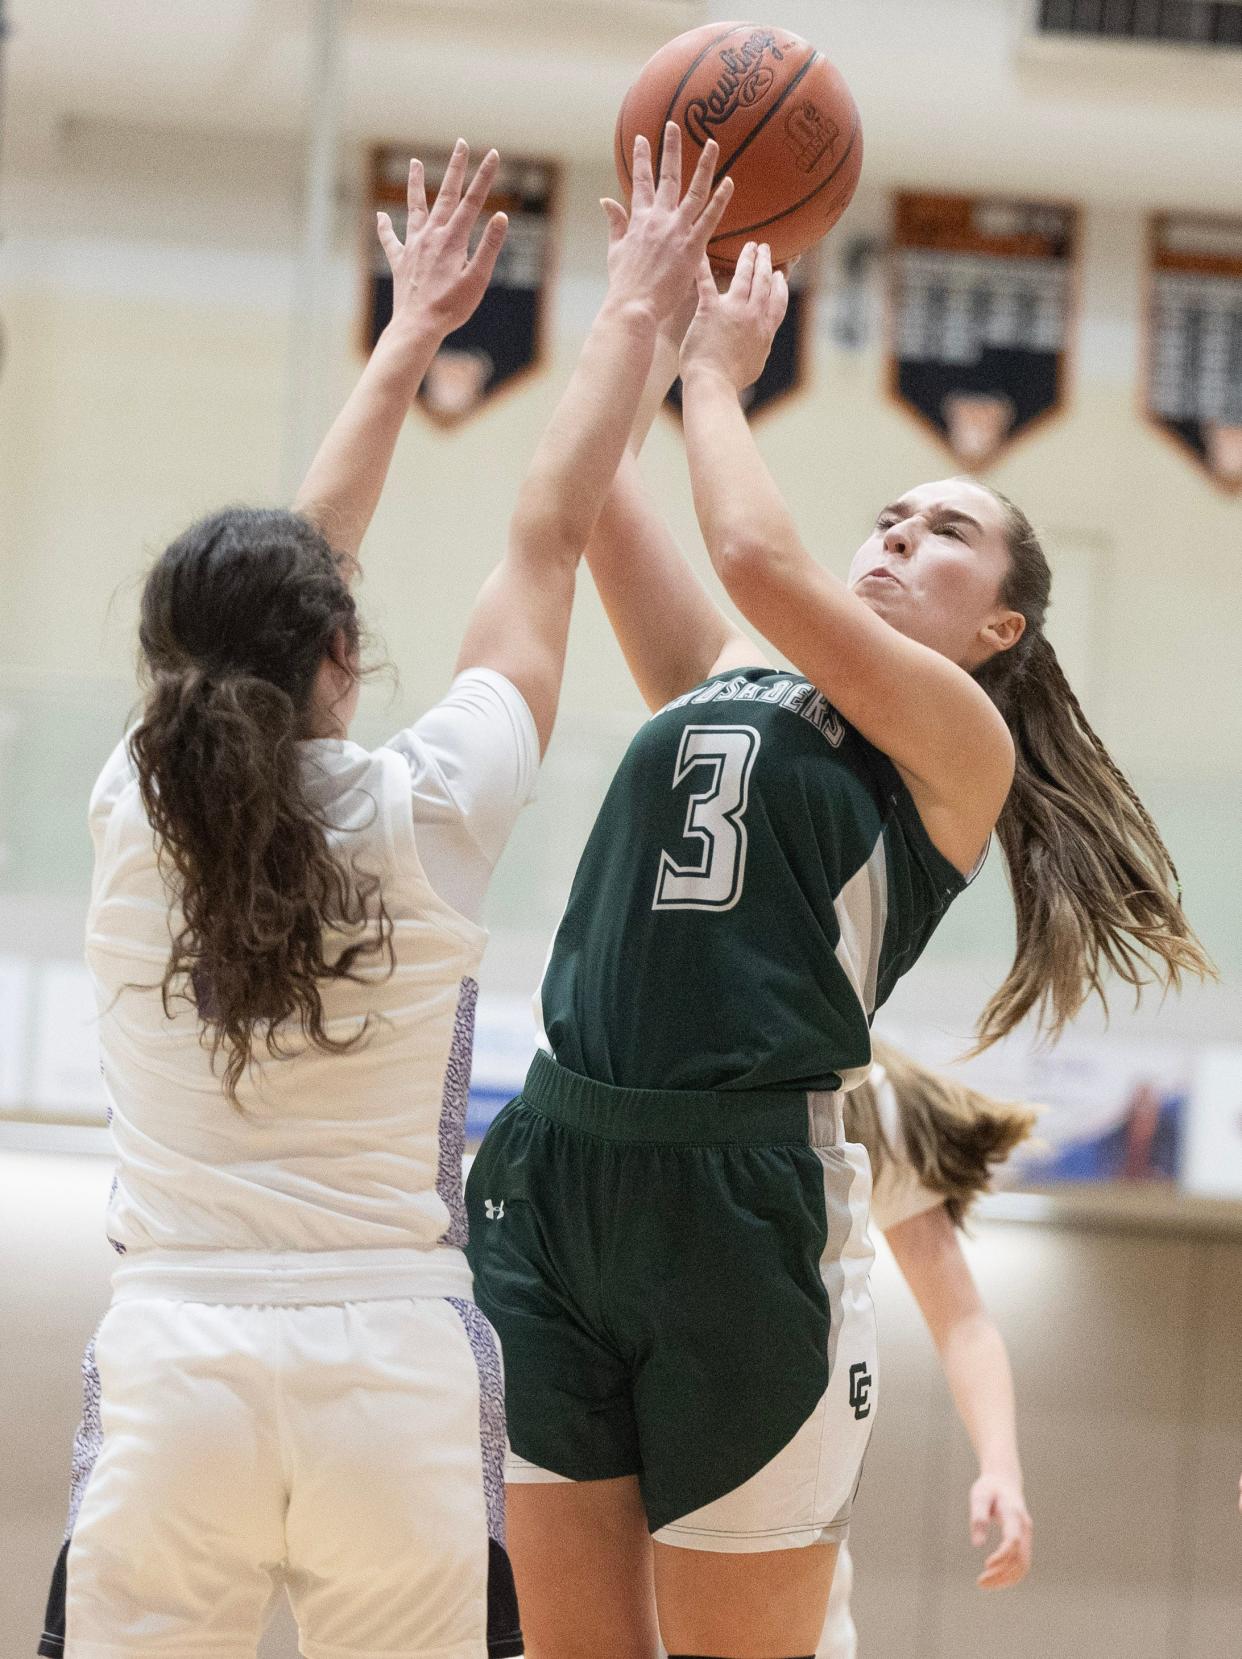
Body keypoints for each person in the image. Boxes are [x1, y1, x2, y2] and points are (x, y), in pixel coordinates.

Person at [39, 130, 732, 1659]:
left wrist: (408, 331)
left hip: (177, 1359)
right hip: (392, 1369)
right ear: (340, 657)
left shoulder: (124, 806)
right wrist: (625, 309)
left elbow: (289, 578)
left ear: (170, 654)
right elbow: (548, 537)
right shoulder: (431, 804)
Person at [465, 245, 1211, 1659]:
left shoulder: (954, 745)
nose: (893, 537)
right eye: (888, 515)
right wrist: (634, 309)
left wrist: (710, 373)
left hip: (746, 1201)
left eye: (941, 532)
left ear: (998, 626)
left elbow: (756, 551)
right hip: (557, 1162)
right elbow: (595, 495)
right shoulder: (734, 674)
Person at [818, 1040, 1037, 1658]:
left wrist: (1001, 1467)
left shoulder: (860, 1098)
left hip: (783, 1465)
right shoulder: (602, 1028)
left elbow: (963, 1319)